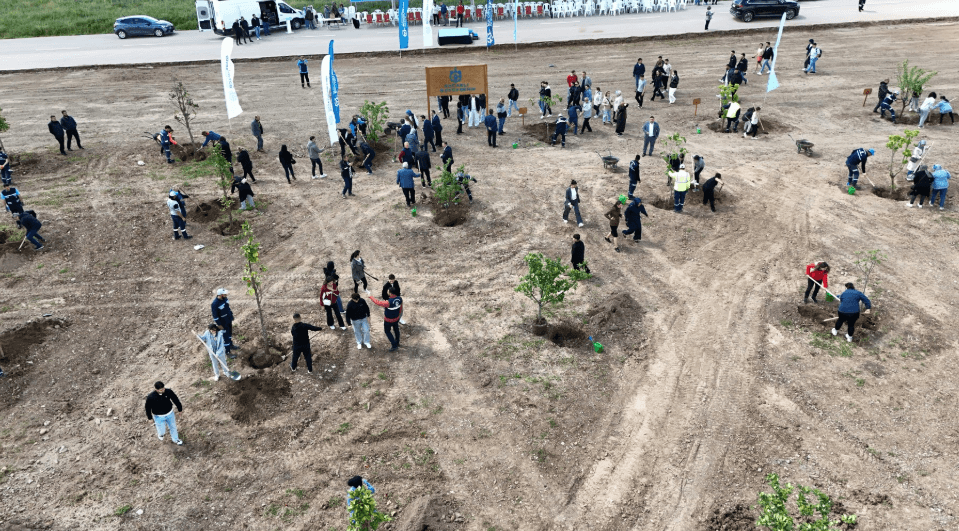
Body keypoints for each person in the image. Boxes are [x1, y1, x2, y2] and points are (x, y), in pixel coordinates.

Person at [211, 288, 236, 358]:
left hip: (228, 320)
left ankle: (231, 345)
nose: (226, 295)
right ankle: (227, 352)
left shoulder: (225, 299)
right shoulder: (215, 304)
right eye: (224, 294)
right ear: (220, 295)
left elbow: (228, 308)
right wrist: (219, 325)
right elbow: (215, 316)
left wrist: (231, 315)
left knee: (230, 333)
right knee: (226, 337)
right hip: (223, 323)